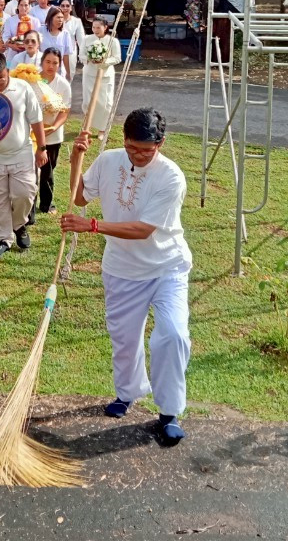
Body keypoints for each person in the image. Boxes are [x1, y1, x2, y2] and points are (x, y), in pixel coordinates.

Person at [60, 108, 191, 445]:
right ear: (124, 140)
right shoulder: (109, 161)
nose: (139, 156)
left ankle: (169, 412)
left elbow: (143, 229)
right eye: (133, 148)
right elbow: (79, 196)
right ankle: (127, 392)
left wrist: (91, 225)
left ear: (161, 143)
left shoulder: (171, 177)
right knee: (124, 337)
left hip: (166, 267)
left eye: (147, 150)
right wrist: (76, 159)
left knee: (172, 336)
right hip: (121, 268)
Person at [0, 52, 47, 260]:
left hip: (21, 152)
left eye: (0, 76)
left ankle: (19, 225)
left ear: (7, 71)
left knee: (25, 193)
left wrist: (41, 148)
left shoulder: (23, 88)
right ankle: (2, 239)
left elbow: (36, 119)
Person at [31, 48, 72, 224]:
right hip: (32, 134)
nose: (51, 66)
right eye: (48, 62)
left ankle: (47, 204)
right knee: (31, 171)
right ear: (42, 62)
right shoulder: (32, 82)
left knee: (48, 171)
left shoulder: (63, 85)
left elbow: (65, 110)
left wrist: (55, 126)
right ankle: (28, 205)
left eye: (55, 63)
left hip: (53, 135)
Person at [82, 17, 122, 135]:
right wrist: (91, 59)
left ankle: (102, 129)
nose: (95, 30)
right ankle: (87, 126)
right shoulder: (87, 39)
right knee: (87, 102)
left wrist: (103, 61)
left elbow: (117, 58)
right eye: (93, 27)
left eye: (98, 27)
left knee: (106, 104)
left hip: (105, 75)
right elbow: (82, 55)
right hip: (89, 74)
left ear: (105, 27)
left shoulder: (112, 41)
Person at [42, 8, 74, 79]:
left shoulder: (65, 34)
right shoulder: (40, 31)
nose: (60, 20)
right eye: (58, 17)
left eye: (62, 17)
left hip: (58, 72)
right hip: (42, 72)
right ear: (51, 18)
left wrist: (68, 73)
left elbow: (66, 55)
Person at [60, 0, 86, 83]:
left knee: (69, 76)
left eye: (67, 6)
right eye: (63, 5)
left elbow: (81, 39)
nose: (65, 8)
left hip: (71, 52)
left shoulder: (76, 21)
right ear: (59, 7)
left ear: (71, 8)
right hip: (57, 51)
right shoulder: (55, 19)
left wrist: (83, 54)